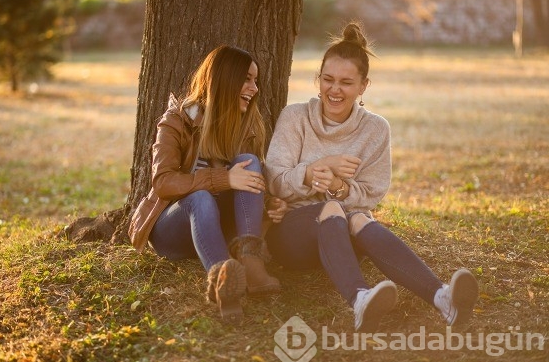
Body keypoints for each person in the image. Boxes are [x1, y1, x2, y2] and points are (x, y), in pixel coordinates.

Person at [264, 22, 479, 333]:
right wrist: (314, 170)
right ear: (318, 79)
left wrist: (337, 185)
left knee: (361, 218)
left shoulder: (376, 129)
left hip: (344, 237)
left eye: (346, 82)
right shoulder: (295, 118)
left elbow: (371, 194)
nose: (334, 90)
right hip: (293, 237)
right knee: (336, 210)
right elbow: (274, 180)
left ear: (363, 86)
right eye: (327, 80)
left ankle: (442, 298)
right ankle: (360, 300)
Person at [128, 45, 280, 324]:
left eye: (255, 80)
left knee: (248, 160)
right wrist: (223, 178)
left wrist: (271, 203)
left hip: (219, 229)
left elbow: (248, 185)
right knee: (200, 198)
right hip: (172, 230)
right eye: (247, 79)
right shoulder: (178, 120)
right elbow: (163, 182)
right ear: (226, 79)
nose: (254, 88)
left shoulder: (248, 126)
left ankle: (250, 260)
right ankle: (223, 281)